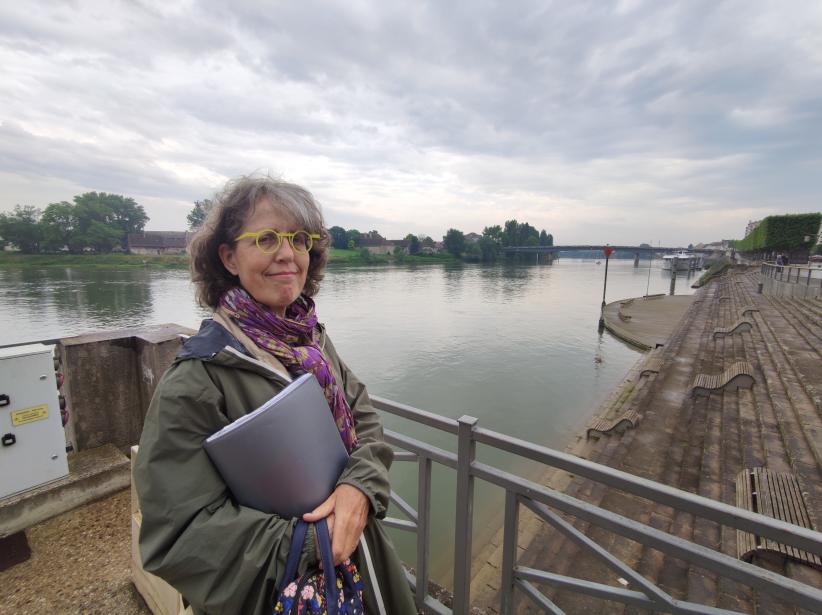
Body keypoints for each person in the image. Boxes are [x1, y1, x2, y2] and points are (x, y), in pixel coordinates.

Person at [134, 175, 416, 615]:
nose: (286, 254)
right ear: (228, 257)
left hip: (365, 567)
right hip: (277, 594)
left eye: (298, 239)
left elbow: (365, 422)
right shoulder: (197, 377)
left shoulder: (313, 344)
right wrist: (312, 541)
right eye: (266, 238)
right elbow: (177, 535)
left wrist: (359, 487)